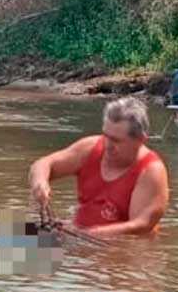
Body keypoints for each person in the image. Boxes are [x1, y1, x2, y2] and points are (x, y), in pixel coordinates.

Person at [28, 97, 169, 235]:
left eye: (116, 140)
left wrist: (86, 234)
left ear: (140, 140)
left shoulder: (150, 171)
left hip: (113, 248)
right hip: (78, 236)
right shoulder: (89, 148)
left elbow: (141, 226)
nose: (107, 145)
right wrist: (40, 182)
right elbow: (43, 164)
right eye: (106, 135)